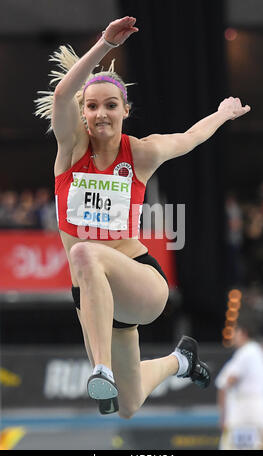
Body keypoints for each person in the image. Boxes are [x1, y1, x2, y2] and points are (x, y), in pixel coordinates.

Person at [35, 16, 250, 417]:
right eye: (93, 106)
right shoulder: (69, 151)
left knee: (83, 252)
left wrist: (222, 114)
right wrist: (103, 44)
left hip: (138, 281)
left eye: (110, 105)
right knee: (129, 406)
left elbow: (189, 139)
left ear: (125, 110)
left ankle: (101, 369)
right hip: (93, 295)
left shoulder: (141, 154)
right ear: (83, 113)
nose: (101, 113)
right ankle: (181, 361)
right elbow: (63, 95)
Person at [215, 313, 263, 450]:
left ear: (243, 332)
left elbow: (224, 384)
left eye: (234, 332)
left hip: (245, 414)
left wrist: (223, 416)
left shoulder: (247, 352)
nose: (232, 336)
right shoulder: (256, 351)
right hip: (255, 413)